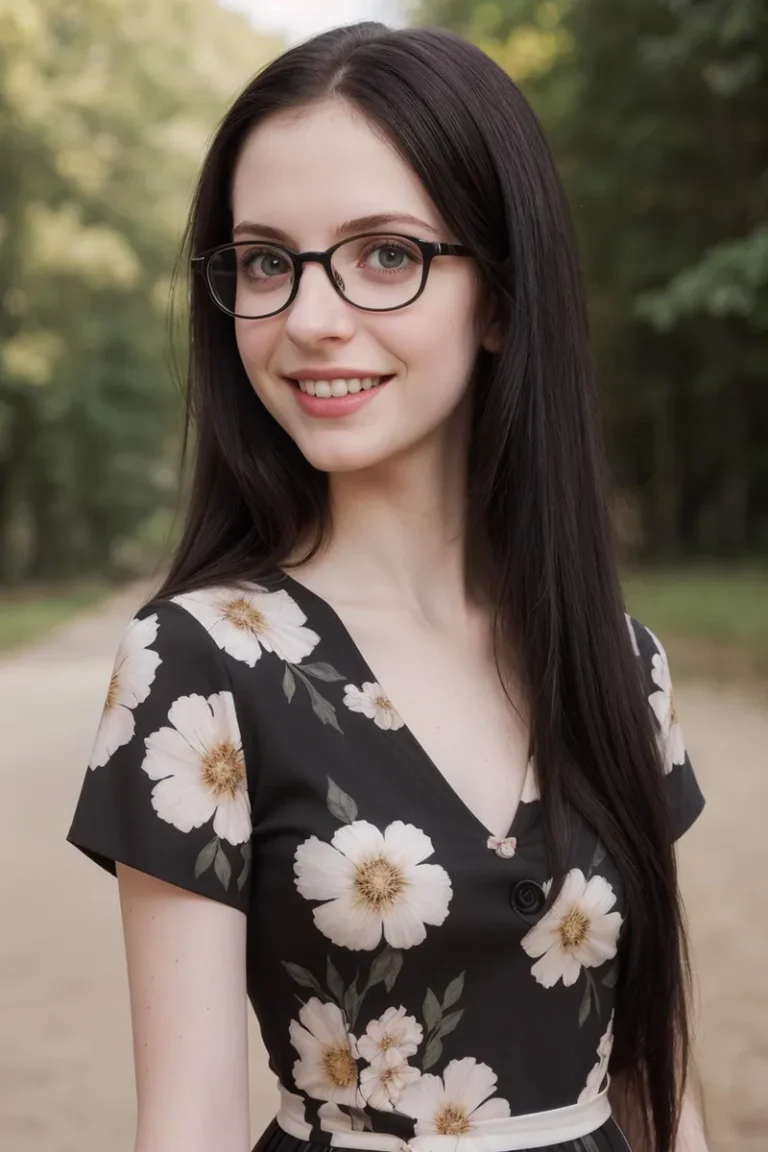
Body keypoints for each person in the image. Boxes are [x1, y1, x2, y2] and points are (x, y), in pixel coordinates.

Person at [67, 22, 709, 1152]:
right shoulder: (198, 666)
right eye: (267, 260)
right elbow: (190, 1125)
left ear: (502, 297)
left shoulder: (622, 663)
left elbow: (661, 1085)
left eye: (384, 253)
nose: (310, 318)